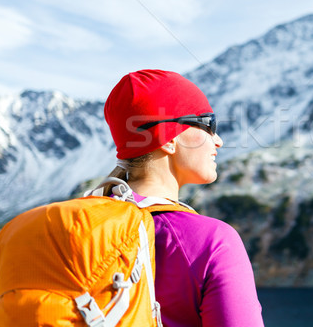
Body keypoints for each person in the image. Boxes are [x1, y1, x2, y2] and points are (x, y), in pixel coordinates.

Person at [103, 69, 264, 327]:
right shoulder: (213, 242)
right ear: (168, 138)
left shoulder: (76, 226)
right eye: (208, 124)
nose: (219, 141)